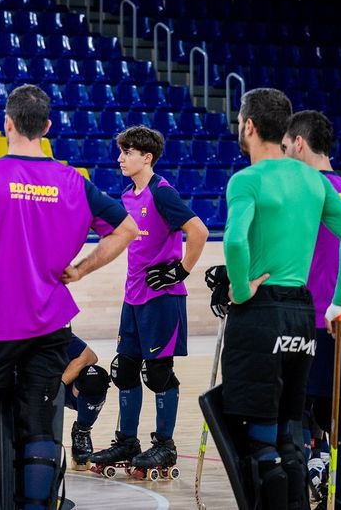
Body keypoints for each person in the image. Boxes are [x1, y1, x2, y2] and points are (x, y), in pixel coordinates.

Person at [0, 85, 137, 510]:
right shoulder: (74, 181)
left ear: (7, 123)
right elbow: (127, 229)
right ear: (47, 127)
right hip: (50, 325)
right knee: (37, 426)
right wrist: (82, 268)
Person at [210, 88, 341, 509]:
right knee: (291, 435)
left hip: (261, 314)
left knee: (260, 442)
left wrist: (240, 290)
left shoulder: (246, 180)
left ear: (249, 126)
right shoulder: (313, 180)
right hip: (302, 313)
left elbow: (236, 242)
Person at [88, 126, 208, 476]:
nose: (120, 158)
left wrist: (181, 272)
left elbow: (198, 231)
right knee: (124, 371)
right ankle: (127, 441)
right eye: (121, 151)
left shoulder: (162, 193)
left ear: (147, 157)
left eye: (127, 152)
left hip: (162, 300)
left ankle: (164, 445)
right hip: (133, 298)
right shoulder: (127, 196)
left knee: (157, 374)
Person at [282, 110, 341, 510]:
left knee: (298, 404)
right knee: (339, 408)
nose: (284, 154)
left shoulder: (307, 185)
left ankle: (299, 496)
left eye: (285, 147)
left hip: (322, 312)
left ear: (299, 143)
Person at [61, 334, 110, 470]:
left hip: (60, 385)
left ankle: (81, 432)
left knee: (94, 377)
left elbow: (89, 356)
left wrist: (58, 386)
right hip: (29, 389)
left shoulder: (50, 328)